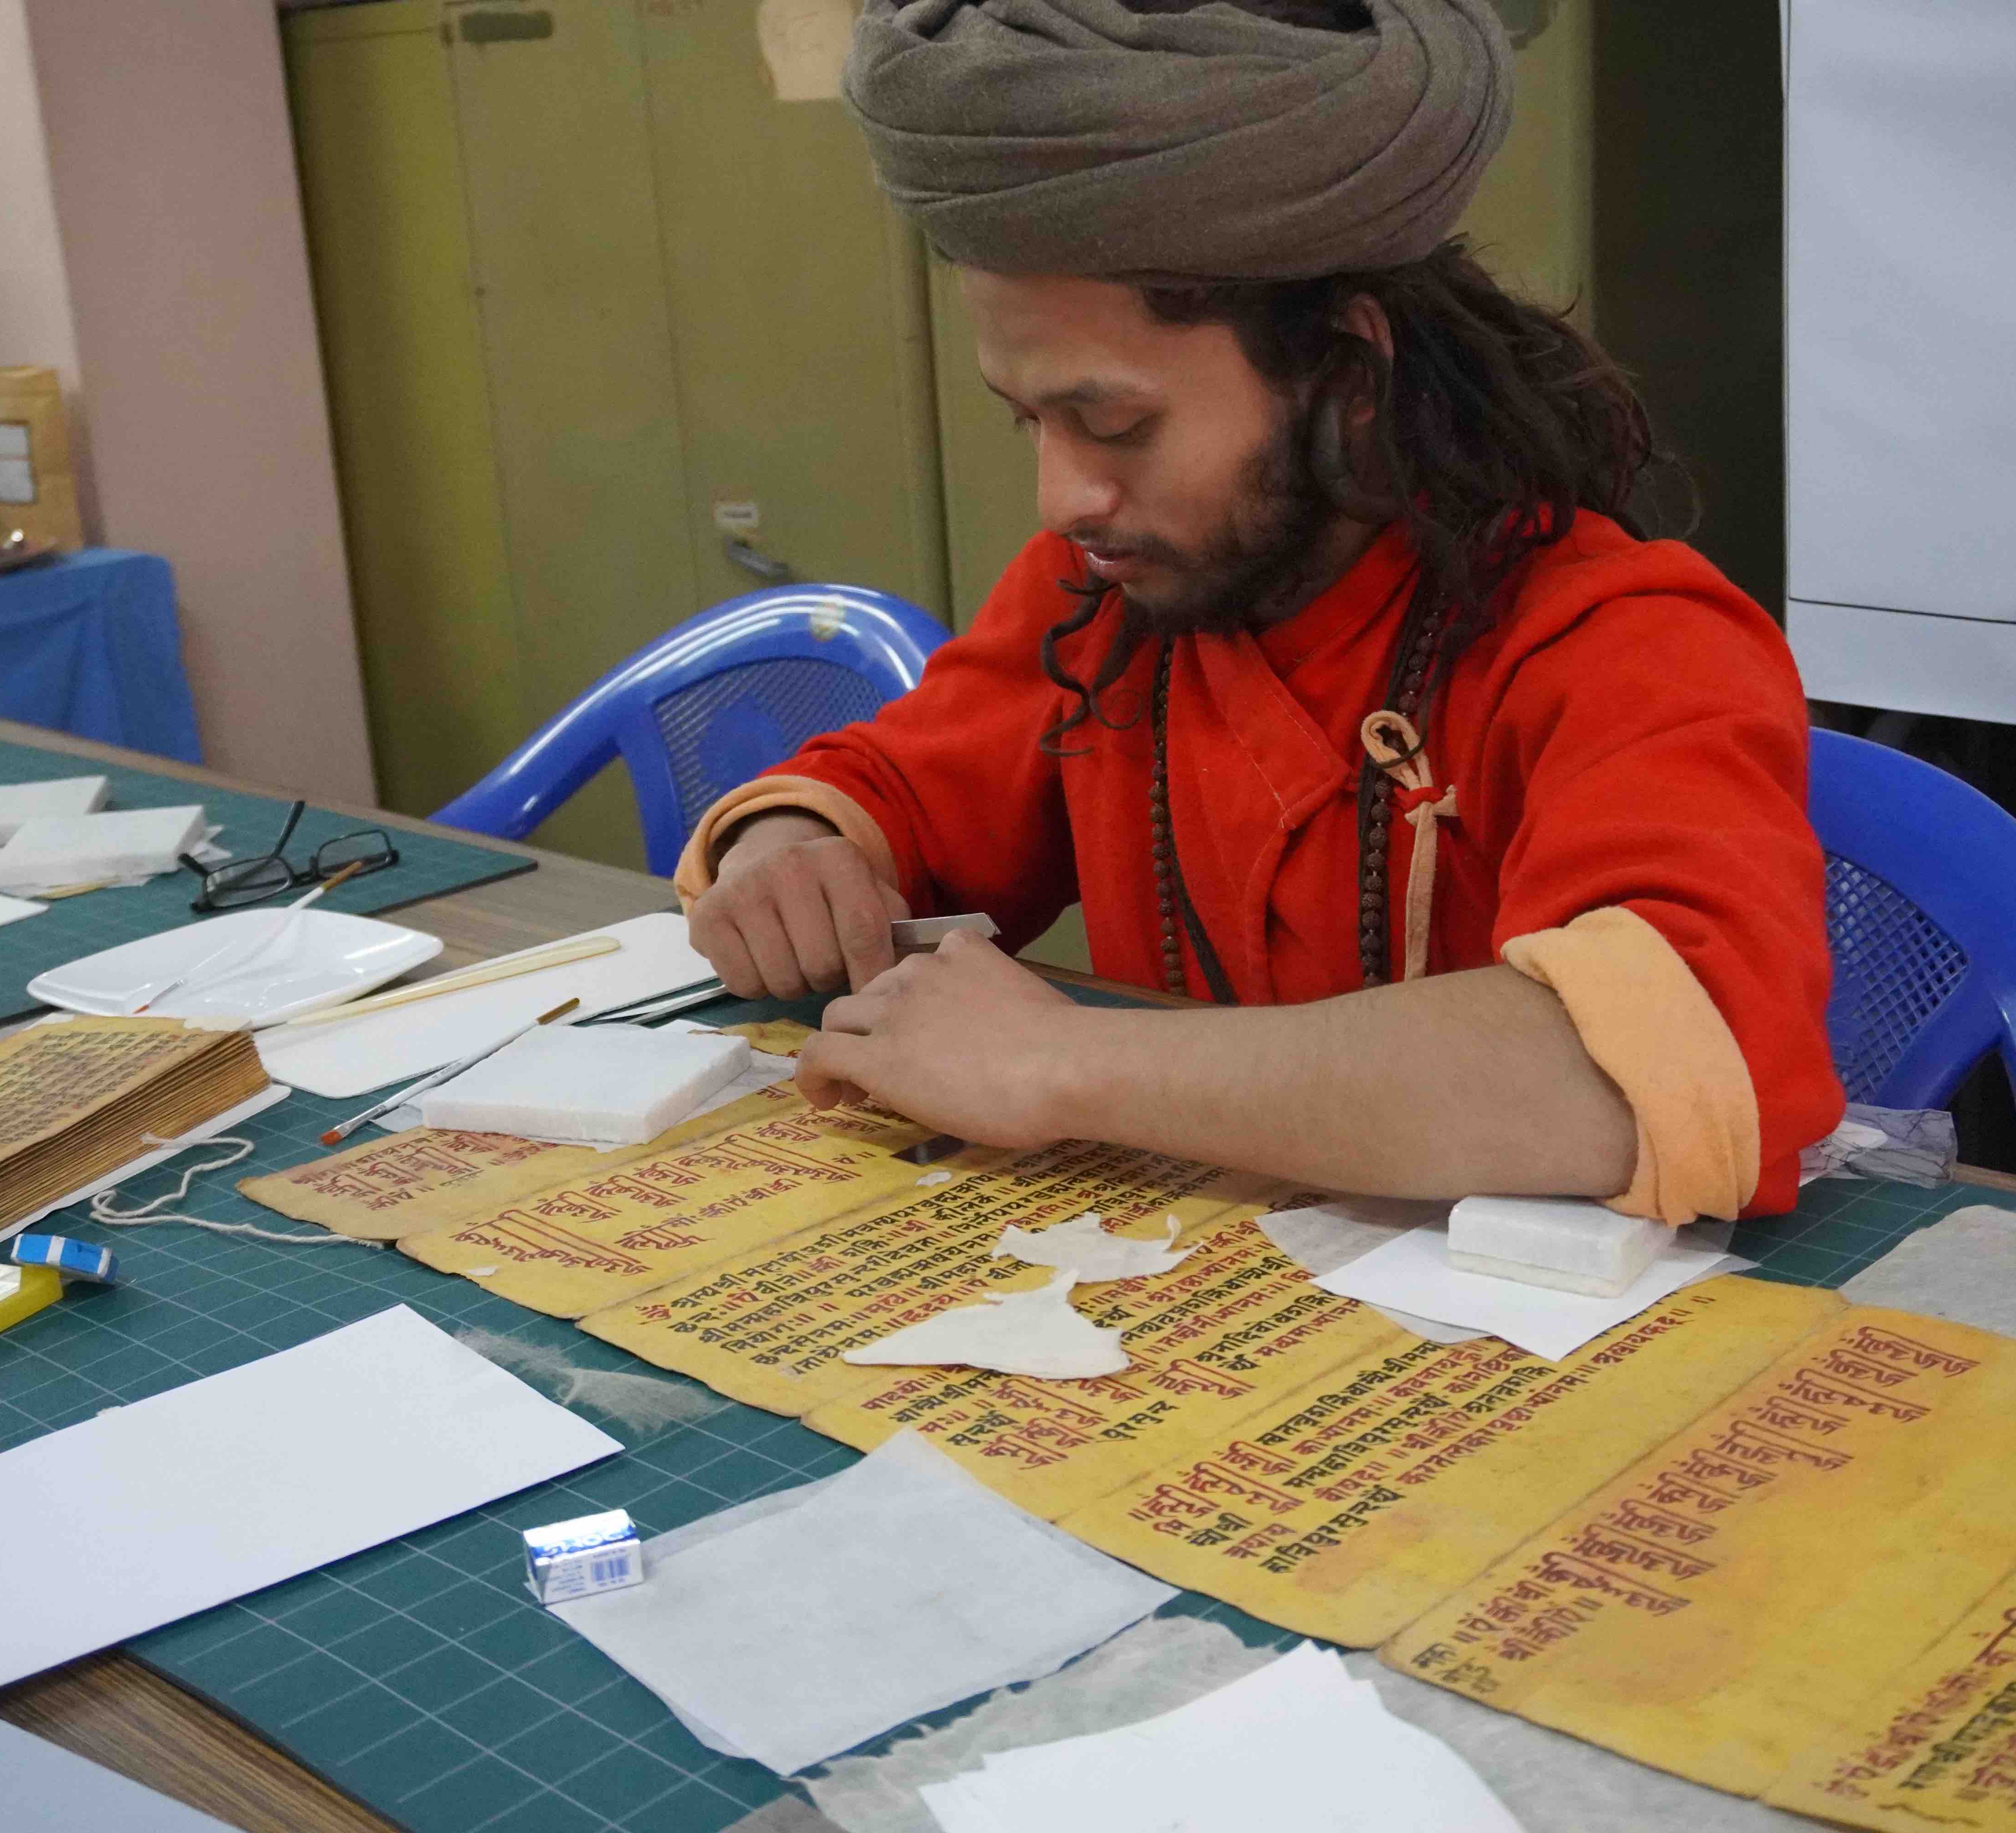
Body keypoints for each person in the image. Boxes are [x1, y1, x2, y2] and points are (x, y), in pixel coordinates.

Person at [679, 0, 1842, 1221]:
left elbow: (1655, 1067)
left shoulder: (1626, 642)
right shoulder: (1100, 605)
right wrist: (795, 857)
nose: (1065, 497)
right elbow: (898, 794)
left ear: (1349, 373)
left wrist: (1067, 1062)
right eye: (1027, 421)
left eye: (1115, 423)